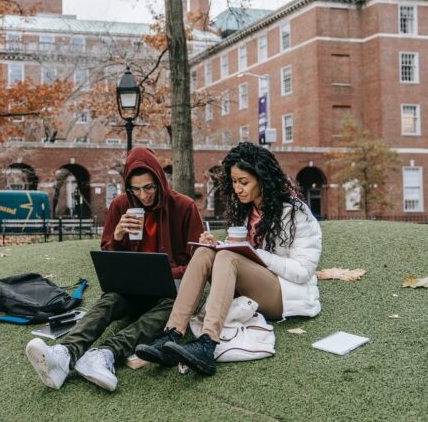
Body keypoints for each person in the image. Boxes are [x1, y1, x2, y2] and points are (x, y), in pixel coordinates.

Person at [25, 147, 204, 391]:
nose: (143, 195)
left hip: (170, 289)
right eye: (136, 189)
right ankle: (64, 353)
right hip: (132, 287)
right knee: (109, 299)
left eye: (149, 187)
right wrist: (118, 236)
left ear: (161, 181)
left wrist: (168, 273)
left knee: (172, 307)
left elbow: (198, 261)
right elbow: (108, 258)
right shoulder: (121, 204)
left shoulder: (184, 206)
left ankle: (105, 353)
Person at [135, 142, 322, 375]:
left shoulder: (295, 213)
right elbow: (241, 254)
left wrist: (252, 254)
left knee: (227, 257)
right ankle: (171, 333)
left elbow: (303, 271)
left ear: (263, 179)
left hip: (284, 293)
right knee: (205, 252)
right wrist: (217, 245)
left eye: (244, 182)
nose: (238, 189)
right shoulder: (246, 211)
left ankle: (207, 343)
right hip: (249, 285)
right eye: (234, 182)